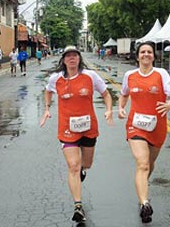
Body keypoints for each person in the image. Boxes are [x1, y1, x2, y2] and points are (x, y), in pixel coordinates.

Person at [40, 45, 113, 223]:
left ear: (79, 59)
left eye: (75, 55)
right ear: (64, 60)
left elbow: (106, 93)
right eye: (68, 56)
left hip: (88, 128)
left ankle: (82, 169)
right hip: (67, 128)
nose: (72, 58)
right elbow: (48, 91)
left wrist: (109, 110)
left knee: (85, 164)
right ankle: (78, 206)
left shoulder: (90, 76)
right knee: (73, 165)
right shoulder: (55, 79)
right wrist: (47, 109)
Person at [118, 42, 170, 223]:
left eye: (149, 52)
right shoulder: (130, 75)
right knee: (142, 163)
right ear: (137, 56)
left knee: (149, 164)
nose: (146, 54)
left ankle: (142, 185)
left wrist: (168, 104)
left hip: (157, 126)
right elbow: (124, 93)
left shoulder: (161, 74)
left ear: (153, 56)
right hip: (136, 125)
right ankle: (144, 203)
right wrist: (120, 107)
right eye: (142, 52)